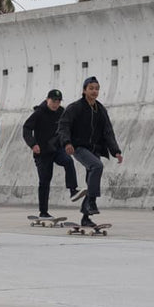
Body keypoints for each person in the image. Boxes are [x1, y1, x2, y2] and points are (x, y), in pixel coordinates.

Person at [56, 77, 123, 228]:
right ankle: (91, 201)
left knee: (91, 181)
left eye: (97, 88)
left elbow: (108, 132)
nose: (94, 91)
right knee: (97, 166)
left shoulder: (100, 110)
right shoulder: (75, 108)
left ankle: (85, 217)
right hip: (78, 147)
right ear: (84, 90)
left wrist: (115, 151)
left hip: (95, 149)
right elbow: (64, 126)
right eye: (91, 88)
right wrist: (67, 142)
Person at [22, 89, 84, 220]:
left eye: (58, 101)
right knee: (45, 181)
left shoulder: (62, 112)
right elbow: (26, 128)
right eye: (53, 101)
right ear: (47, 100)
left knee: (68, 161)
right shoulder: (39, 113)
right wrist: (33, 144)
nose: (55, 104)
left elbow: (69, 127)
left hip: (56, 149)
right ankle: (43, 212)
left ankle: (73, 191)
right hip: (42, 152)